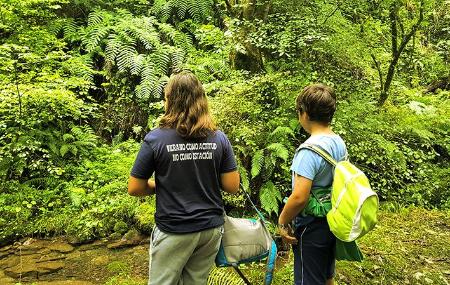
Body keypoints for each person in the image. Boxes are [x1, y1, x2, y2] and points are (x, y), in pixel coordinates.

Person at [128, 71, 240, 285]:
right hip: (210, 229)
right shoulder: (219, 137)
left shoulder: (155, 139)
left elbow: (134, 187)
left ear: (170, 100)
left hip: (174, 229)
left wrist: (158, 185)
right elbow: (232, 186)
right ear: (201, 99)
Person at [278, 84, 347, 285]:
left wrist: (282, 221)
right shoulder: (338, 142)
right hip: (333, 220)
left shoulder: (308, 151)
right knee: (326, 275)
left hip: (311, 225)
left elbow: (300, 197)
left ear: (305, 113)